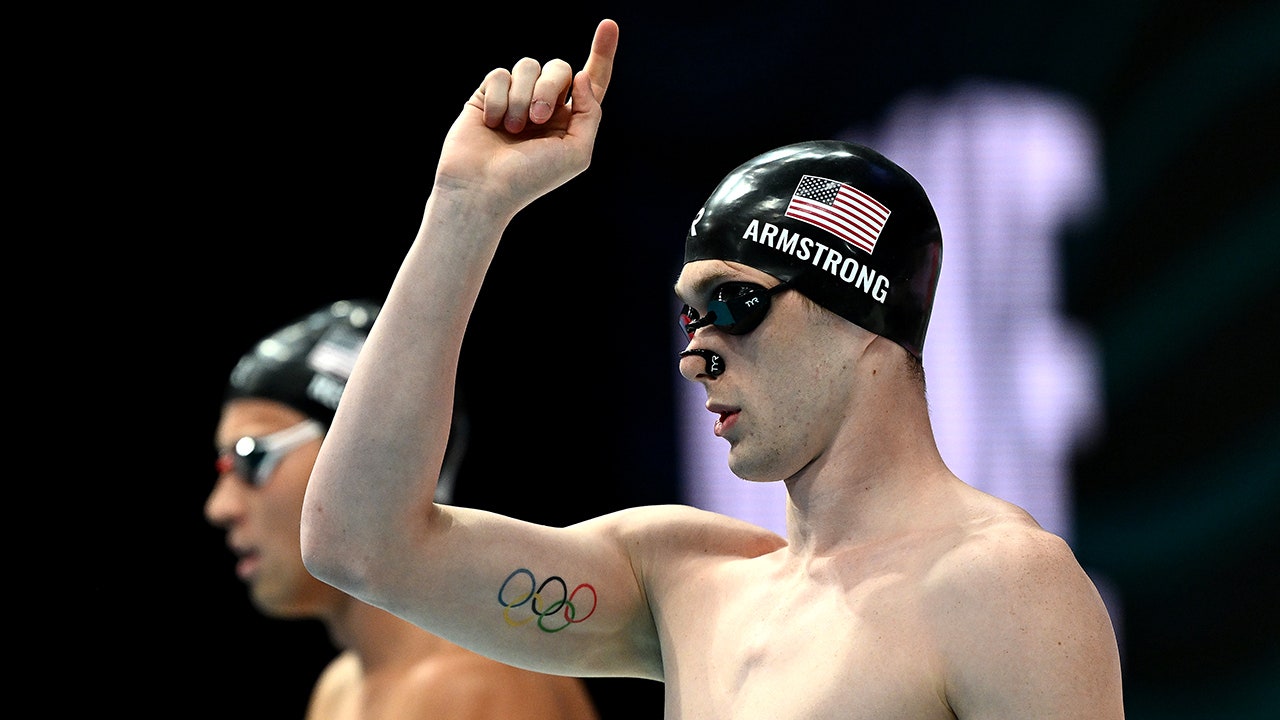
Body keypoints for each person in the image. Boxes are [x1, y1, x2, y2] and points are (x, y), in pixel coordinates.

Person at [300, 18, 1125, 719]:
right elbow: (358, 546)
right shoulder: (684, 582)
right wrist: (465, 205)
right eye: (690, 316)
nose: (695, 354)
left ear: (860, 315)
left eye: (735, 303)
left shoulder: (1002, 587)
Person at [206, 298, 600, 720]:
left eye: (250, 457)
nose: (219, 507)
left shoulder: (469, 688)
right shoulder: (341, 689)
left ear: (370, 460)